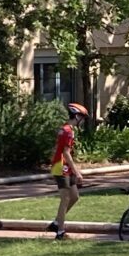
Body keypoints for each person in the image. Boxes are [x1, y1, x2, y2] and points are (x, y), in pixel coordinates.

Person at [46, 102, 89, 241]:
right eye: (82, 118)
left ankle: (57, 222)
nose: (82, 121)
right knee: (65, 199)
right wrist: (77, 172)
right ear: (77, 116)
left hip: (65, 166)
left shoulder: (65, 129)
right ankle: (60, 232)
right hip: (61, 166)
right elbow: (66, 153)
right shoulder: (68, 131)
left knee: (75, 196)